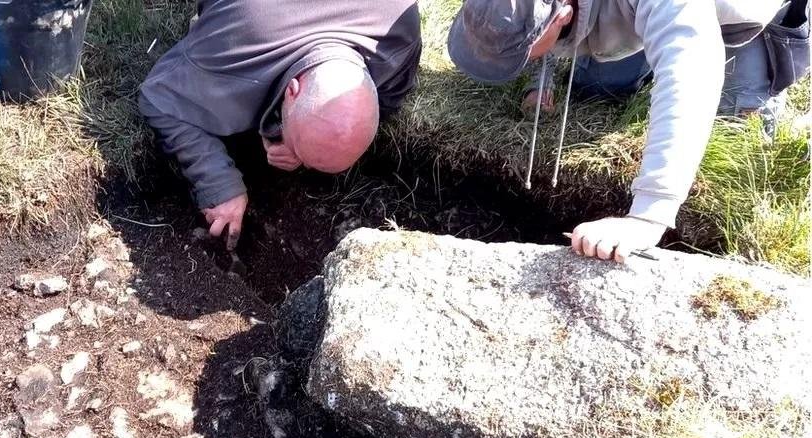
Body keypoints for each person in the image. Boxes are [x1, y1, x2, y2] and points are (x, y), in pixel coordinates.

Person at [448, 0, 809, 263]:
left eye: (521, 54)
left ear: (563, 16)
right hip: (634, 10)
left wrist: (649, 216)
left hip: (744, 16)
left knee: (734, 133)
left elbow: (692, 72)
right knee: (600, 85)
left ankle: (753, 79)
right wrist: (540, 76)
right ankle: (651, 41)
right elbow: (520, 18)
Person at [139, 0, 422, 250]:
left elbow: (386, 103)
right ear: (291, 90)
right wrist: (219, 184)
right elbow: (160, 99)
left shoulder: (399, 37)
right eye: (300, 153)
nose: (296, 162)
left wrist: (285, 130)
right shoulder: (234, 43)